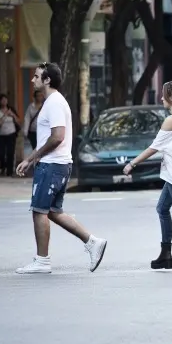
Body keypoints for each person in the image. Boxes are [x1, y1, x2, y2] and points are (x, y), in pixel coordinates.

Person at [15, 62, 107, 274]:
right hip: (58, 164)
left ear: (47, 80)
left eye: (37, 76)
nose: (32, 80)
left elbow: (57, 136)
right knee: (54, 212)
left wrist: (33, 158)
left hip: (52, 165)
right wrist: (32, 158)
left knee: (39, 211)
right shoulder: (52, 102)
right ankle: (93, 242)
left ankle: (42, 261)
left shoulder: (54, 103)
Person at [123, 80, 172, 272]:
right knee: (162, 208)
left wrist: (132, 163)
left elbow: (154, 147)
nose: (161, 98)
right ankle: (165, 254)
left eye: (164, 94)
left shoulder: (171, 120)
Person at [0, 94, 19, 177]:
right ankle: (3, 166)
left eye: (6, 100)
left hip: (11, 134)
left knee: (10, 153)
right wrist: (5, 115)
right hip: (1, 135)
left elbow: (18, 120)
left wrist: (12, 115)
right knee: (1, 153)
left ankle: (10, 171)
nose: (4, 101)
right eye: (2, 100)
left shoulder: (11, 109)